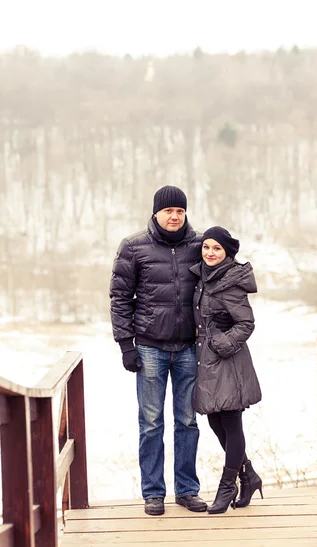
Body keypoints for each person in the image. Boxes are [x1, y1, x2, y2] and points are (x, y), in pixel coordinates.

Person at [109, 185, 208, 516]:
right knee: (151, 422)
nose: (174, 216)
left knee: (188, 420)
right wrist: (126, 345)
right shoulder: (134, 247)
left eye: (180, 211)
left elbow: (222, 276)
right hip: (150, 347)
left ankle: (187, 490)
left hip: (189, 349)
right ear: (156, 213)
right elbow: (120, 298)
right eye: (168, 211)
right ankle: (153, 493)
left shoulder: (199, 245)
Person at [189, 226, 263, 514]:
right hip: (208, 360)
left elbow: (246, 323)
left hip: (228, 359)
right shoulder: (204, 278)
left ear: (228, 253)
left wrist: (221, 343)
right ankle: (249, 476)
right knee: (215, 422)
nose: (210, 252)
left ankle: (227, 484)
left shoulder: (229, 282)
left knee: (231, 422)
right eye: (206, 247)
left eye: (217, 248)